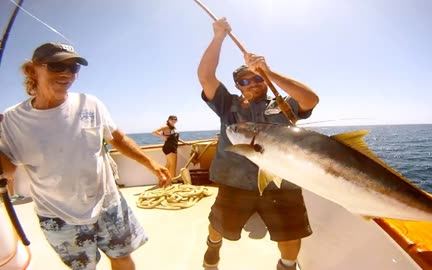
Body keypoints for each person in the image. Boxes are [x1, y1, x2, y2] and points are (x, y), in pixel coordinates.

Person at [0, 42, 172, 270]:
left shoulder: (90, 103)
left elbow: (117, 138)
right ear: (32, 70)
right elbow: (8, 171)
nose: (67, 74)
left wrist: (151, 163)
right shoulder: (11, 120)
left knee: (122, 258)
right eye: (56, 66)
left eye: (73, 68)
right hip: (58, 216)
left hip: (107, 204)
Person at [197, 18, 320, 270]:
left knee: (289, 234)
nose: (252, 83)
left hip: (282, 182)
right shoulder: (226, 105)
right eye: (245, 81)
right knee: (219, 224)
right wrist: (219, 36)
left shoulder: (283, 105)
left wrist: (269, 72)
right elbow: (206, 76)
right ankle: (213, 244)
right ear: (237, 87)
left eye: (257, 79)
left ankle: (286, 264)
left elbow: (311, 99)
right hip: (234, 182)